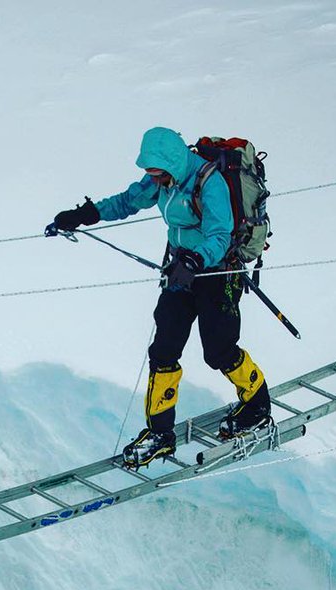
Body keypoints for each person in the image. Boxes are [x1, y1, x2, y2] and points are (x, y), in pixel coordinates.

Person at [52, 126, 272, 467]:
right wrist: (83, 216)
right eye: (147, 170)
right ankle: (159, 434)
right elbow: (126, 202)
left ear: (170, 162)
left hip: (216, 273)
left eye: (154, 170)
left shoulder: (208, 182)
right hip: (180, 272)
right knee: (164, 349)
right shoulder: (161, 181)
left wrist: (196, 259)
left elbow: (220, 234)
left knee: (219, 350)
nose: (149, 176)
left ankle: (257, 404)